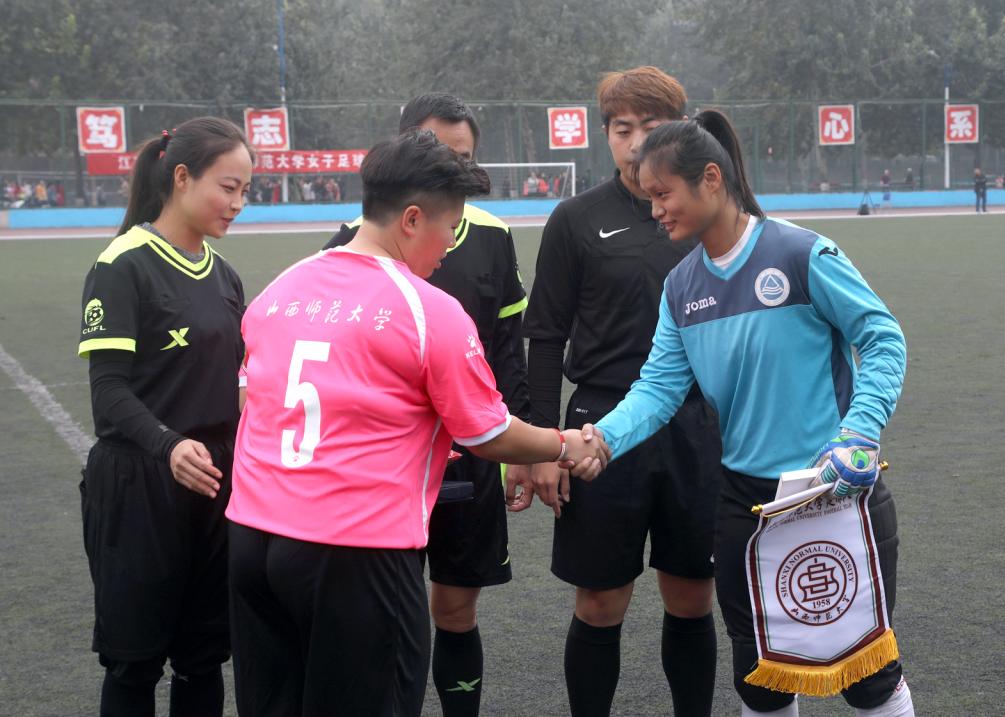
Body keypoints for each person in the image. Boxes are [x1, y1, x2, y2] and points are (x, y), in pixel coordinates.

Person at [227, 130, 609, 716]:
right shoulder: (428, 309)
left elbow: (254, 401)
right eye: (449, 227)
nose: (449, 245)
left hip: (253, 538)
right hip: (355, 551)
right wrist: (562, 443)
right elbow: (488, 433)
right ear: (411, 219)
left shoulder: (281, 288)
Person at [582, 111, 914, 716]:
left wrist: (860, 432)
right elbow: (658, 390)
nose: (655, 210)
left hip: (833, 491)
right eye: (648, 196)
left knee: (868, 677)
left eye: (663, 193)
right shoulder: (681, 287)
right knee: (761, 679)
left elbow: (883, 337)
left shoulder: (801, 254)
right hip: (746, 504)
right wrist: (601, 439)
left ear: (711, 179)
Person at [523, 66, 723, 717]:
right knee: (600, 601)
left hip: (696, 424)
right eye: (621, 128)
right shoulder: (575, 219)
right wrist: (545, 445)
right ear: (605, 134)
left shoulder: (706, 216)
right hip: (599, 425)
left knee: (692, 594)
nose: (636, 141)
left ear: (681, 127)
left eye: (651, 125)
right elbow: (545, 337)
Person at [323, 92, 530, 717]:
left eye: (465, 157)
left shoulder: (491, 236)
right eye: (443, 152)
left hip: (473, 457)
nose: (455, 166)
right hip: (385, 470)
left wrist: (522, 449)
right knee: (387, 610)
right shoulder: (350, 243)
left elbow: (507, 351)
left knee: (455, 610)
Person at [77, 117, 253, 717]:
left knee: (203, 657)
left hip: (213, 483)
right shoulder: (122, 264)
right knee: (134, 662)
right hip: (139, 483)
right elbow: (108, 390)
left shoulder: (225, 276)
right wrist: (167, 444)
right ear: (181, 177)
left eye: (245, 190)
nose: (238, 203)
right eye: (227, 187)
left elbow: (239, 382)